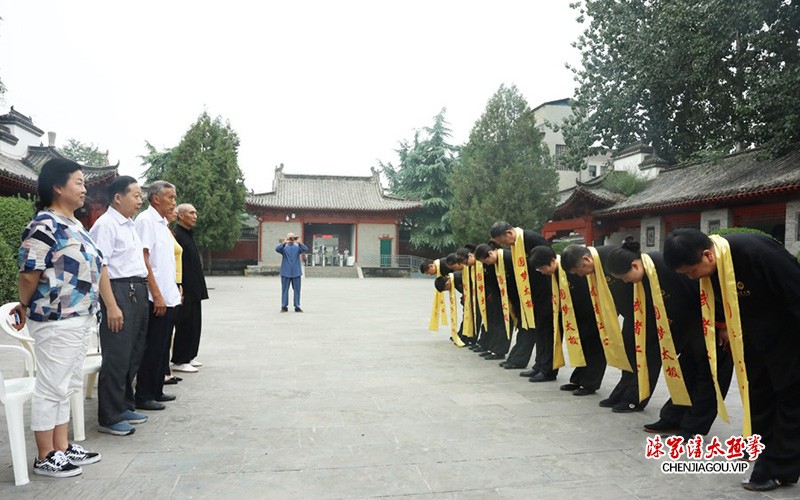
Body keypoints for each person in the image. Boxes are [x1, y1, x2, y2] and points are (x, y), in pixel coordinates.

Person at [664, 228, 800, 492]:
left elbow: (796, 292)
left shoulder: (757, 253)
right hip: (752, 336)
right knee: (758, 393)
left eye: (692, 272)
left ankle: (780, 467)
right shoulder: (712, 266)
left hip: (788, 336)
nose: (692, 278)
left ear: (707, 255)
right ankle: (761, 449)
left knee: (790, 398)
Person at [13, 158, 102, 477]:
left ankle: (62, 447)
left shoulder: (76, 224)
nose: (84, 187)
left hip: (80, 316)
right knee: (52, 385)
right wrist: (24, 304)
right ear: (57, 186)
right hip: (54, 317)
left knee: (68, 383)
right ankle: (44, 454)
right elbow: (29, 273)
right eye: (78, 182)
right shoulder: (43, 225)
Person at [606, 238, 732, 437]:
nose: (625, 281)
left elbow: (708, 292)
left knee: (709, 378)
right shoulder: (644, 277)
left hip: (711, 325)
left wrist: (723, 324)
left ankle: (693, 427)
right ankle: (672, 419)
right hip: (690, 329)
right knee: (683, 372)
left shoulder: (665, 266)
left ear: (635, 264)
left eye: (625, 276)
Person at [88, 175, 151, 436]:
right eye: (135, 195)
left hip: (137, 289)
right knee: (116, 354)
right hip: (118, 290)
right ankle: (109, 416)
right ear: (118, 197)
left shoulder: (129, 225)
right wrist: (111, 306)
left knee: (133, 352)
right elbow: (100, 266)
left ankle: (125, 404)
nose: (140, 200)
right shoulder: (106, 225)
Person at [561, 243, 656, 413]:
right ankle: (622, 392)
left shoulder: (611, 256)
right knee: (628, 353)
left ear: (586, 259)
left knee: (644, 356)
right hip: (629, 313)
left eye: (578, 271)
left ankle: (635, 398)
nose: (580, 275)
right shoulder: (595, 266)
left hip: (644, 311)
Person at [529, 245, 606, 395]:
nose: (542, 272)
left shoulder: (569, 268)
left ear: (552, 261)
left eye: (542, 268)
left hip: (590, 313)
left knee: (593, 348)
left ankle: (590, 383)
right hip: (575, 314)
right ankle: (578, 379)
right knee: (582, 347)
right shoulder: (557, 272)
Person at [134, 180, 180, 411]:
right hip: (156, 297)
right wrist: (157, 295)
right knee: (152, 347)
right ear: (156, 199)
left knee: (162, 347)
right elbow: (144, 260)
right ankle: (143, 395)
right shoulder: (145, 221)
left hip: (169, 294)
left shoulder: (162, 223)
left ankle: (156, 390)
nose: (174, 202)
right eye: (170, 197)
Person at [490, 221, 556, 379]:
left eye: (502, 241)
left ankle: (548, 369)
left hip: (546, 293)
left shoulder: (531, 238)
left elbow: (549, 260)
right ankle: (539, 365)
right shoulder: (516, 245)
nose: (503, 245)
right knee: (538, 331)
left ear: (509, 233)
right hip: (532, 296)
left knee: (547, 332)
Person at [171, 203, 208, 373]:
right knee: (184, 324)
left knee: (194, 323)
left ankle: (190, 355)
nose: (195, 216)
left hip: (194, 287)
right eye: (191, 213)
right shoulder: (176, 234)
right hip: (184, 287)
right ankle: (180, 359)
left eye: (195, 212)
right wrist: (179, 287)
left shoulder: (188, 234)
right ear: (180, 216)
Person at [276, 233, 308, 312]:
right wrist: (284, 242)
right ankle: (284, 306)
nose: (291, 240)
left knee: (297, 290)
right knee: (284, 290)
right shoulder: (284, 248)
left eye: (292, 238)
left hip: (296, 272)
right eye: (290, 238)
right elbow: (277, 249)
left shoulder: (297, 247)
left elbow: (305, 249)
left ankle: (297, 306)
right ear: (286, 238)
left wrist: (299, 242)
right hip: (285, 271)